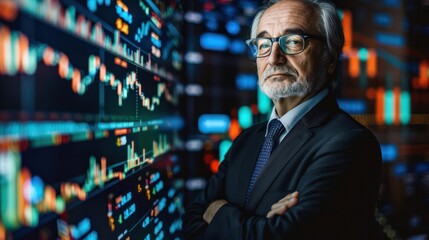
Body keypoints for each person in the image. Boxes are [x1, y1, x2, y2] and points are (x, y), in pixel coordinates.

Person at [183, 0, 382, 239]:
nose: (274, 57)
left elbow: (282, 236)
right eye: (264, 44)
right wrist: (256, 224)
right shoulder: (246, 140)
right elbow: (191, 220)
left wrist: (218, 210)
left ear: (330, 58)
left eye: (293, 42)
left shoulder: (351, 143)